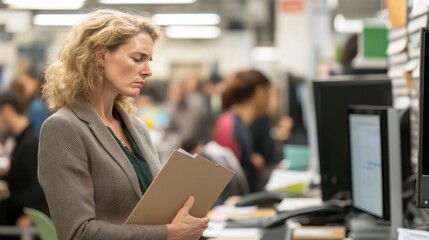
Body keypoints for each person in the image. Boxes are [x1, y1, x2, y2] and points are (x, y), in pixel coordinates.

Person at [38, 9, 209, 240]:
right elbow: (77, 233)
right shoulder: (63, 128)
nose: (148, 71)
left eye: (149, 60)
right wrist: (167, 233)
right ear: (100, 55)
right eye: (138, 58)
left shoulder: (136, 128)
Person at [213, 69, 271, 192]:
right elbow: (229, 180)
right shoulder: (229, 123)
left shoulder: (235, 121)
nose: (270, 100)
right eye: (269, 94)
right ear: (259, 92)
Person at [0, 92, 47, 229]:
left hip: (22, 225)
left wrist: (30, 218)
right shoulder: (20, 141)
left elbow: (40, 187)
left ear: (8, 111)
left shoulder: (30, 143)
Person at [17, 67, 49, 135]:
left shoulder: (37, 106)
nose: (24, 86)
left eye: (27, 81)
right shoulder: (34, 102)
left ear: (35, 81)